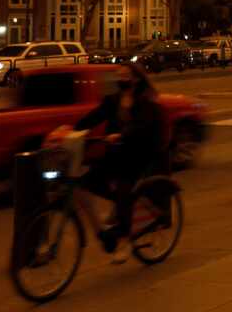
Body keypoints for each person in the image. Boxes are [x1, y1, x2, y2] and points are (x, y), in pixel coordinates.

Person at [47, 62, 166, 257]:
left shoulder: (145, 101)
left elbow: (141, 126)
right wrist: (70, 130)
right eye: (118, 75)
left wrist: (121, 135)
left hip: (139, 152)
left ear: (136, 79)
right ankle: (114, 218)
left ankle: (125, 240)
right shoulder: (113, 100)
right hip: (117, 152)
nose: (121, 79)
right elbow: (93, 118)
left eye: (125, 76)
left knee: (124, 186)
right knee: (87, 182)